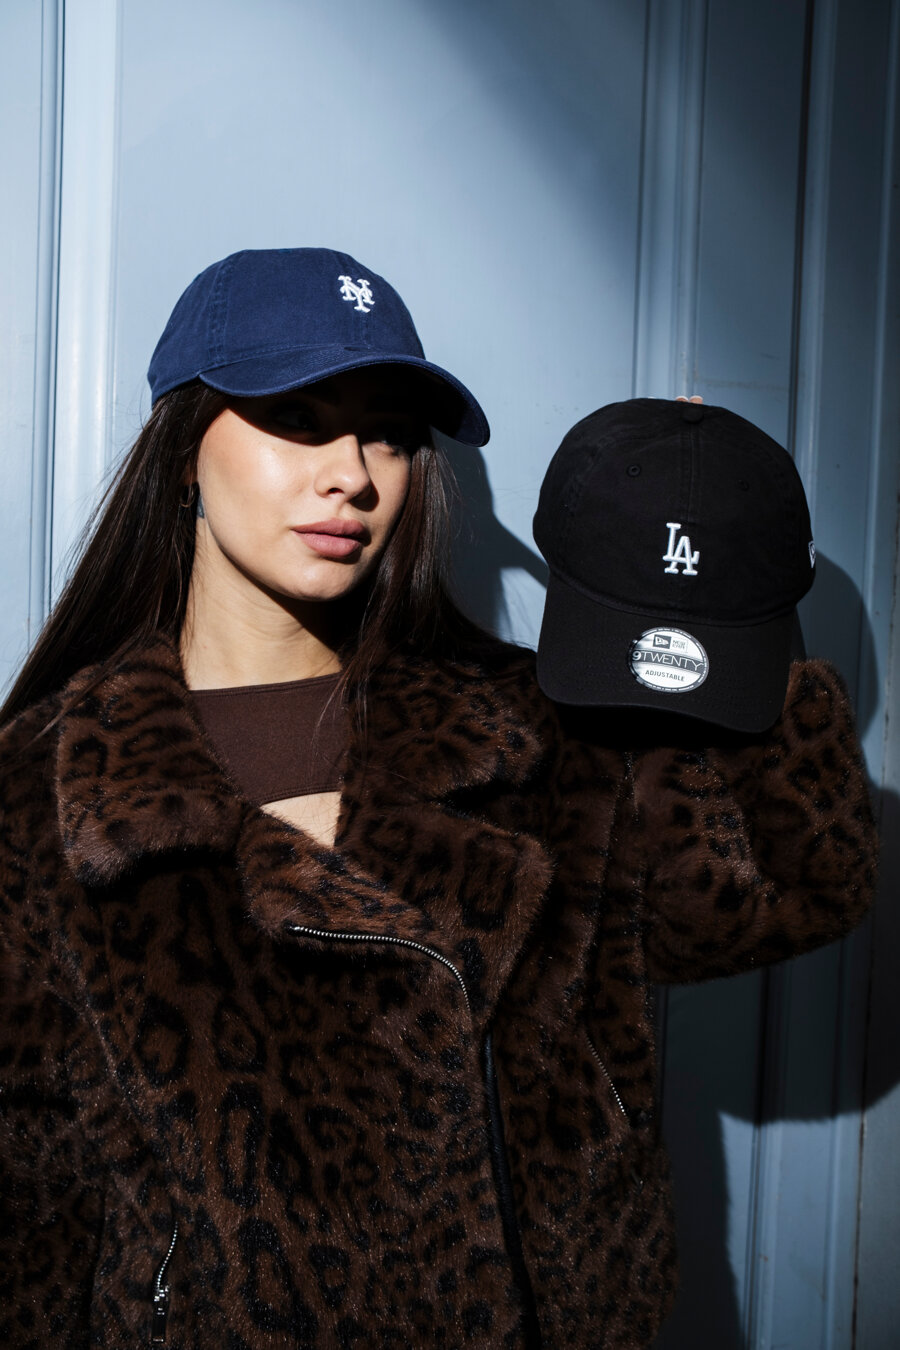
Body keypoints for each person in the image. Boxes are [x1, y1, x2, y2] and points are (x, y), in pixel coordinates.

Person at [0, 248, 877, 1350]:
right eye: (296, 418)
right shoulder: (47, 791)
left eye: (389, 434)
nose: (352, 476)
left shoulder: (532, 730)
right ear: (183, 451)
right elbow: (29, 1205)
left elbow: (788, 892)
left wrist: (720, 567)